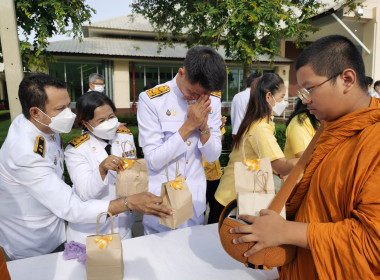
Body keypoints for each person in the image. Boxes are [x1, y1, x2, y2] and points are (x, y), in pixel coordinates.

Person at [230, 35, 380, 279]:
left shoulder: (373, 139)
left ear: (347, 79)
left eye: (310, 89)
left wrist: (287, 232)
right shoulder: (329, 129)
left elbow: (373, 243)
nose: (305, 100)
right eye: (302, 92)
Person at [0, 73, 171, 260]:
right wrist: (129, 203)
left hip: (56, 226)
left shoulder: (45, 126)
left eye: (68, 105)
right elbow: (71, 207)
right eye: (60, 108)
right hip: (32, 239)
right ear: (35, 112)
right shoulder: (25, 153)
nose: (69, 113)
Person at [137, 46, 226, 234]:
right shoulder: (152, 100)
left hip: (194, 199)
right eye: (193, 93)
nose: (199, 99)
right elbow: (153, 160)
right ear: (181, 73)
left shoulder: (213, 102)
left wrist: (203, 127)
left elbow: (212, 156)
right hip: (161, 199)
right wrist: (188, 126)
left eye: (205, 94)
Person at [64, 91, 151, 244]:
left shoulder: (125, 135)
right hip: (91, 232)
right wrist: (102, 170)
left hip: (123, 226)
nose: (109, 123)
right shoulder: (75, 150)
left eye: (111, 117)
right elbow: (85, 194)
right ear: (85, 123)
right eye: (101, 120)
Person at [214, 73, 298, 221]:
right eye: (281, 97)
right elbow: (283, 167)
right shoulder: (260, 128)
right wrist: (312, 155)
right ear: (268, 97)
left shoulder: (261, 122)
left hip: (233, 196)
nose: (283, 102)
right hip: (231, 202)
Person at [204, 115, 227, 224]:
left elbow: (221, 140)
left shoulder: (215, 117)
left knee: (214, 210)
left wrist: (220, 128)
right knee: (199, 210)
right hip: (199, 173)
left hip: (214, 173)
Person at [231, 72, 262, 137]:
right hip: (250, 134)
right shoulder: (256, 97)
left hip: (236, 132)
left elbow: (233, 116)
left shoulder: (237, 96)